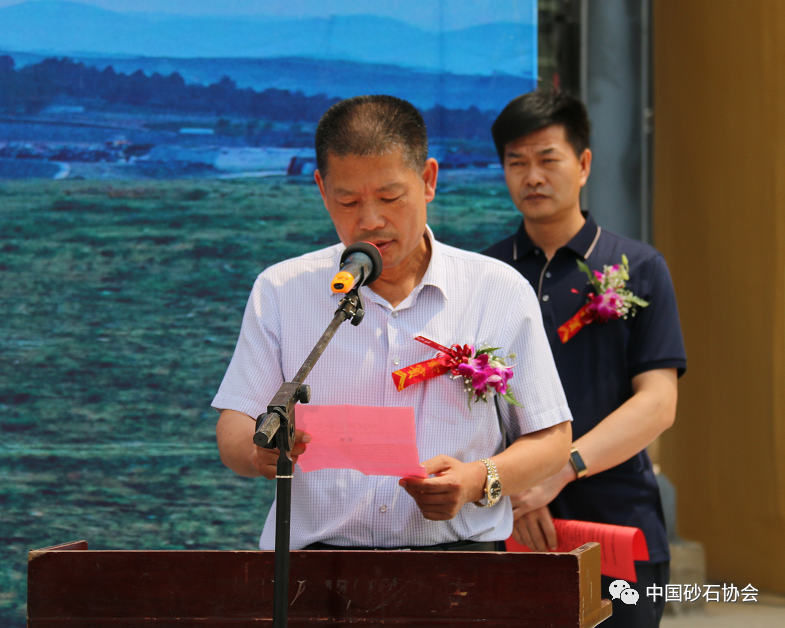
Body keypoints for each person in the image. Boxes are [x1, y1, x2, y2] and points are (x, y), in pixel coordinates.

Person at [212, 94, 573, 552]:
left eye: (389, 197)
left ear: (428, 180)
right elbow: (236, 423)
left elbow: (552, 438)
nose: (370, 221)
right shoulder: (283, 290)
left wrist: (477, 480)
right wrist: (257, 452)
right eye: (347, 200)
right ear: (322, 189)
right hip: (316, 566)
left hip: (460, 562)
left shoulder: (497, 291)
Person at [483, 89, 686, 627]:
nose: (532, 177)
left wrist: (561, 469)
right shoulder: (484, 276)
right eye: (516, 163)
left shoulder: (638, 267)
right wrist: (515, 489)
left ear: (584, 164)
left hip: (616, 524)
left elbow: (658, 403)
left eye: (547, 159)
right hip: (508, 527)